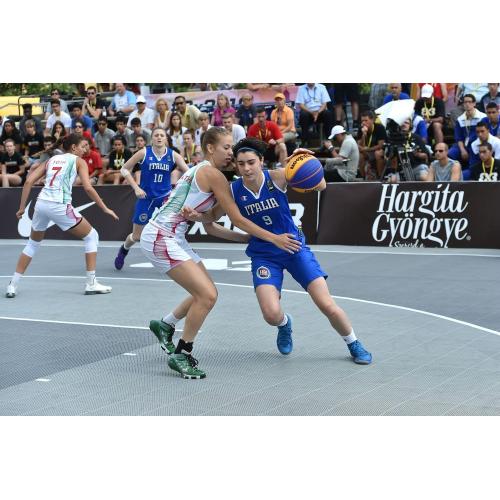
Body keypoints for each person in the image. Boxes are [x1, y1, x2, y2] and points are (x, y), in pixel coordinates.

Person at [182, 137, 372, 365]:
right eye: (241, 164)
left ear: (261, 161)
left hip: (293, 248)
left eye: (251, 162)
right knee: (271, 314)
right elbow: (212, 217)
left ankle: (353, 343)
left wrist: (306, 161)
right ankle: (284, 324)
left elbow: (320, 186)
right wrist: (198, 216)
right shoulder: (232, 190)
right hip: (263, 255)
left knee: (326, 304)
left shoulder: (278, 176)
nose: (246, 168)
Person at [138, 128, 302, 379]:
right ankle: (183, 353)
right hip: (162, 235)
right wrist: (272, 238)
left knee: (205, 292)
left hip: (171, 235)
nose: (231, 152)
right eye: (227, 147)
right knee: (207, 295)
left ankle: (166, 324)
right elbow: (236, 217)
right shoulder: (214, 175)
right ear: (210, 148)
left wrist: (246, 238)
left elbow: (211, 225)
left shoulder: (199, 170)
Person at [5, 133, 118, 299]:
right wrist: (105, 208)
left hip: (41, 203)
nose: (86, 149)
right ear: (74, 147)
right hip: (59, 205)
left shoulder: (51, 160)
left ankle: (12, 285)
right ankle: (91, 282)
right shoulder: (79, 161)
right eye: (83, 146)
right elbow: (88, 187)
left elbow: (28, 182)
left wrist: (22, 209)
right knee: (92, 236)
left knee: (33, 243)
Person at [114, 127, 189, 270]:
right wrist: (136, 187)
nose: (159, 137)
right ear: (152, 138)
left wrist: (181, 188)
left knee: (170, 233)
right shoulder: (144, 152)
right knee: (136, 236)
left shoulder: (173, 155)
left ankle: (176, 261)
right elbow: (124, 169)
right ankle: (123, 250)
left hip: (165, 199)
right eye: (156, 135)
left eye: (162, 135)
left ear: (166, 139)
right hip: (146, 198)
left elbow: (189, 173)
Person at [448, 94, 486, 170]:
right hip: (463, 144)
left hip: (477, 143)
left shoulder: (482, 117)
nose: (467, 104)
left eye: (470, 102)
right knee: (450, 153)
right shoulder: (460, 119)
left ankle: (469, 172)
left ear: (474, 103)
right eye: (465, 102)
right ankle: (452, 173)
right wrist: (462, 150)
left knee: (474, 153)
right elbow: (459, 138)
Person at [357, 110, 387, 180]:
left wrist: (367, 149)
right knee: (360, 155)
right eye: (362, 121)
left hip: (379, 151)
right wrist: (363, 135)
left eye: (366, 120)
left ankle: (380, 177)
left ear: (372, 120)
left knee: (377, 153)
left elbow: (381, 145)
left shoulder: (379, 128)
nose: (363, 123)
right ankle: (363, 177)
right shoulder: (361, 129)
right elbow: (360, 146)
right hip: (367, 151)